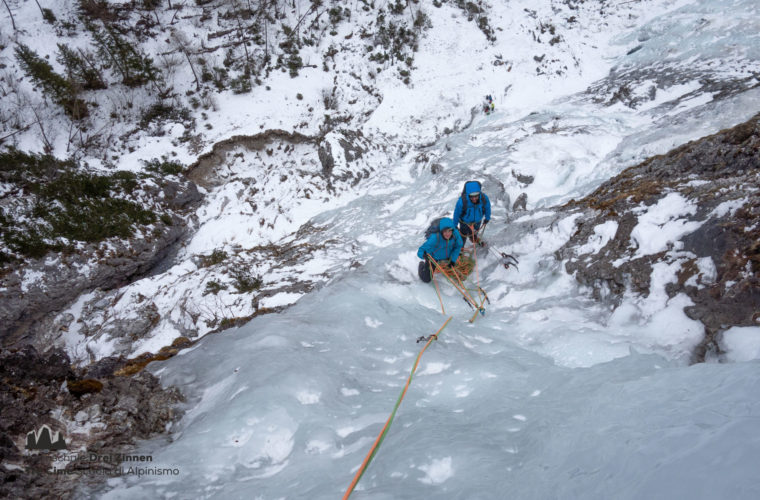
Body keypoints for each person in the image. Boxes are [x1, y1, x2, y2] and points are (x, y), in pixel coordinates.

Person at [417, 217, 463, 283]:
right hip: (434, 257)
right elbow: (420, 250)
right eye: (445, 231)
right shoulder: (435, 238)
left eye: (449, 231)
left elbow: (458, 246)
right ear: (441, 231)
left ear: (452, 230)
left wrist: (453, 260)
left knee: (459, 274)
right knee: (426, 279)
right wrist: (424, 256)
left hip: (448, 256)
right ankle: (421, 265)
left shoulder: (455, 234)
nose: (447, 234)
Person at [453, 180, 491, 245]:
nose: (474, 198)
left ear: (479, 193)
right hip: (465, 222)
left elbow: (487, 207)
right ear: (468, 194)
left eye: (476, 196)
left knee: (474, 232)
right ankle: (461, 248)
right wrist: (455, 225)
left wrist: (487, 218)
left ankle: (473, 238)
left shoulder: (484, 198)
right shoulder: (462, 201)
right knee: (463, 235)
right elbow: (456, 213)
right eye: (471, 196)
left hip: (477, 221)